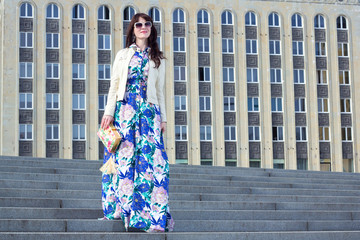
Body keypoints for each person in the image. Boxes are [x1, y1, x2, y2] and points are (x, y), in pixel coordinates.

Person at [99, 13, 174, 232]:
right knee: (122, 162)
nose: (143, 27)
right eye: (138, 24)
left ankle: (151, 218)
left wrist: (164, 119)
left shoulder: (158, 58)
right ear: (133, 29)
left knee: (152, 163)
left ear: (151, 28)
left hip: (149, 113)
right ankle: (119, 210)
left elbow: (160, 91)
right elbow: (114, 86)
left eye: (147, 24)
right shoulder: (123, 55)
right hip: (125, 112)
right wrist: (108, 113)